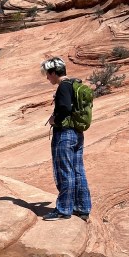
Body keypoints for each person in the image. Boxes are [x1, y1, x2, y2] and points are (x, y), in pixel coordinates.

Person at [41, 56, 91, 221]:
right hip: (77, 133)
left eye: (48, 74)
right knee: (78, 170)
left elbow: (64, 107)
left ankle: (63, 210)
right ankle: (82, 208)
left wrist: (54, 119)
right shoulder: (73, 84)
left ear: (54, 73)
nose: (47, 78)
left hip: (64, 135)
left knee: (65, 172)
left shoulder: (63, 86)